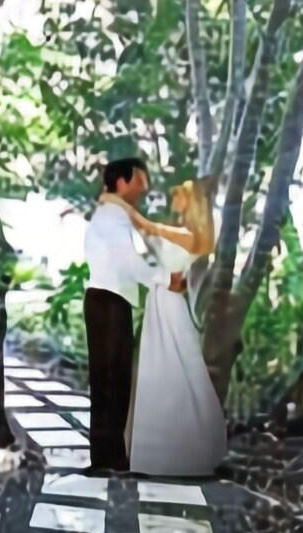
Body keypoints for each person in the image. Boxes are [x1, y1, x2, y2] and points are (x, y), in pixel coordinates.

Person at [82, 158, 224, 475]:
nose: (145, 187)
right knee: (110, 379)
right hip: (110, 298)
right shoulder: (113, 214)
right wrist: (161, 279)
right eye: (140, 180)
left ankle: (112, 454)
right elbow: (128, 261)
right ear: (123, 182)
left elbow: (144, 232)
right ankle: (107, 457)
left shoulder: (115, 212)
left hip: (118, 298)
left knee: (115, 378)